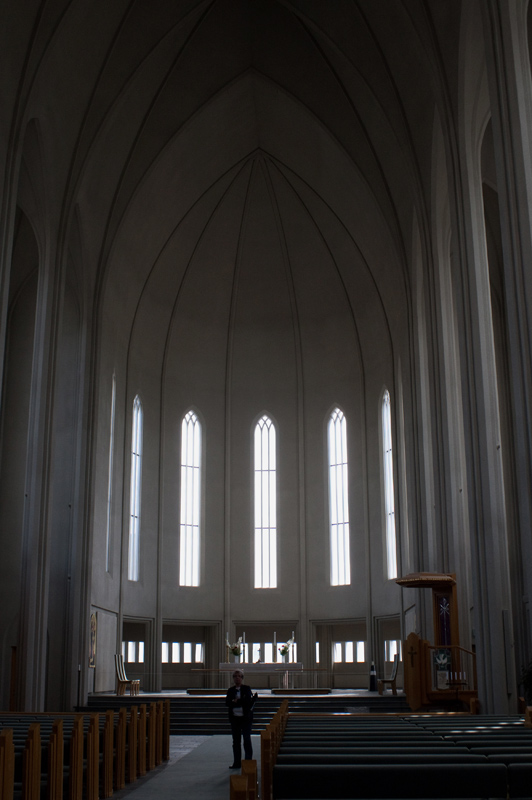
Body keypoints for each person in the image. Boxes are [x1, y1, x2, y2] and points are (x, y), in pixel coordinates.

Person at [225, 669, 257, 768]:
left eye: (239, 676)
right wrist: (238, 701)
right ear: (233, 678)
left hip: (245, 718)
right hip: (235, 719)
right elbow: (227, 703)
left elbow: (247, 701)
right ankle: (237, 762)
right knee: (236, 741)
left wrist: (236, 702)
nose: (237, 678)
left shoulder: (246, 688)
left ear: (242, 678)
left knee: (247, 739)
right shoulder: (230, 690)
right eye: (235, 676)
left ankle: (248, 761)